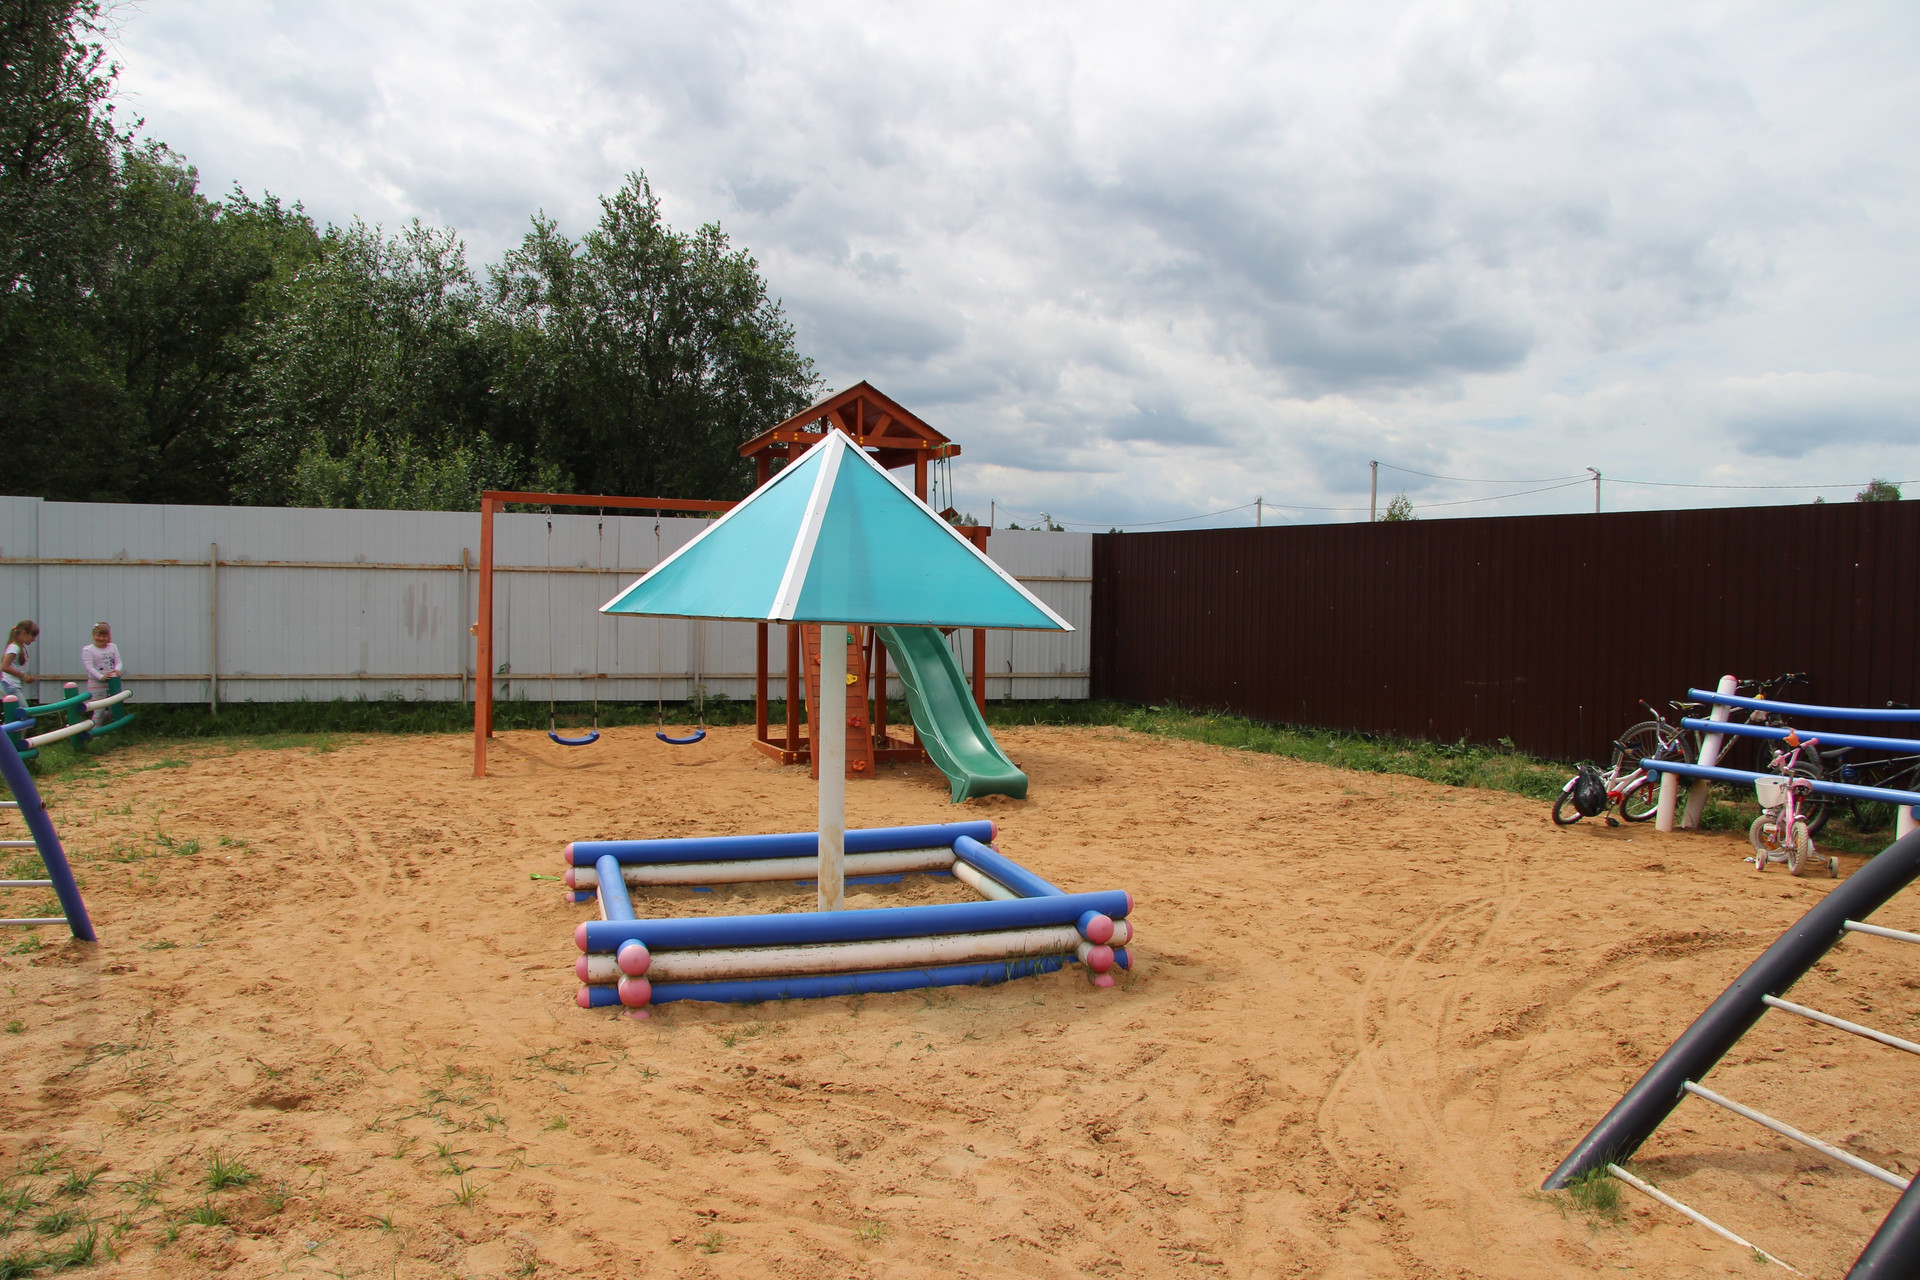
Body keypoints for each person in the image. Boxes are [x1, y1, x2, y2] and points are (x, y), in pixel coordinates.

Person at [81, 622, 122, 726]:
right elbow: (89, 667)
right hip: (96, 683)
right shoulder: (88, 650)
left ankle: (106, 726)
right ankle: (95, 732)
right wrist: (101, 677)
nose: (101, 638)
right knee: (99, 710)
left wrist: (117, 670)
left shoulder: (113, 647)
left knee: (114, 708)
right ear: (93, 635)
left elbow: (118, 662)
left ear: (108, 636)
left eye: (104, 636)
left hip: (112, 682)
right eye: (98, 635)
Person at [2, 620, 37, 710]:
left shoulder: (19, 647)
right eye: (32, 636)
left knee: (16, 713)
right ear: (23, 633)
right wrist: (23, 676)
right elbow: (4, 667)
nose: (34, 639)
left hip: (12, 685)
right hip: (10, 684)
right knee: (24, 712)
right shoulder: (14, 647)